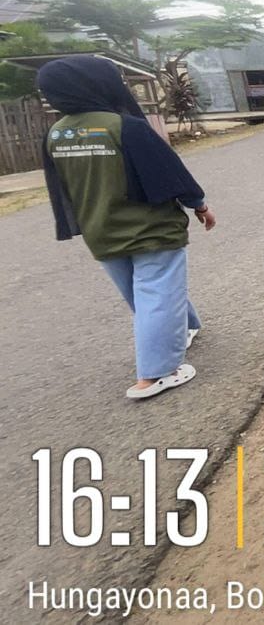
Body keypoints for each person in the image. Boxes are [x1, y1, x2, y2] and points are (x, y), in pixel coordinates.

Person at [37, 55, 213, 400]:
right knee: (157, 291)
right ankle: (158, 373)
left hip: (99, 229)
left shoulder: (56, 135)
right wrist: (200, 205)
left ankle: (185, 328)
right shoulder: (124, 126)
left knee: (144, 292)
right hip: (150, 228)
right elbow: (169, 171)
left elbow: (63, 191)